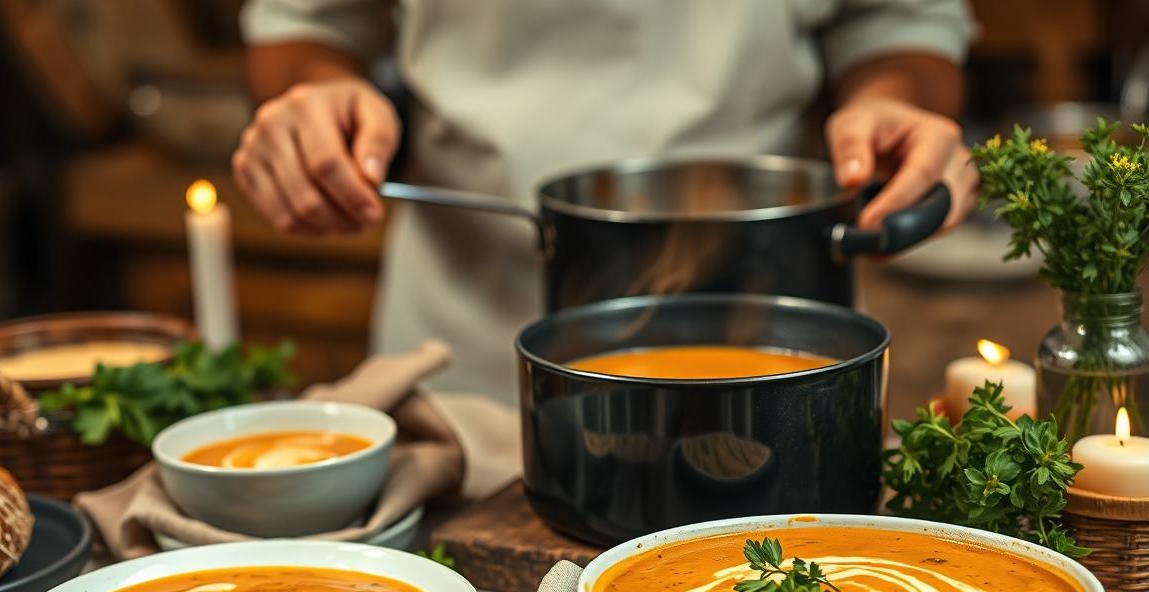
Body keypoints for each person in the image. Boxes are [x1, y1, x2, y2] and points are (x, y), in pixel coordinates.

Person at [232, 1, 978, 405]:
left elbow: (902, 25)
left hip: (769, 328)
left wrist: (893, 102)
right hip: (466, 338)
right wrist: (315, 94)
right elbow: (303, 28)